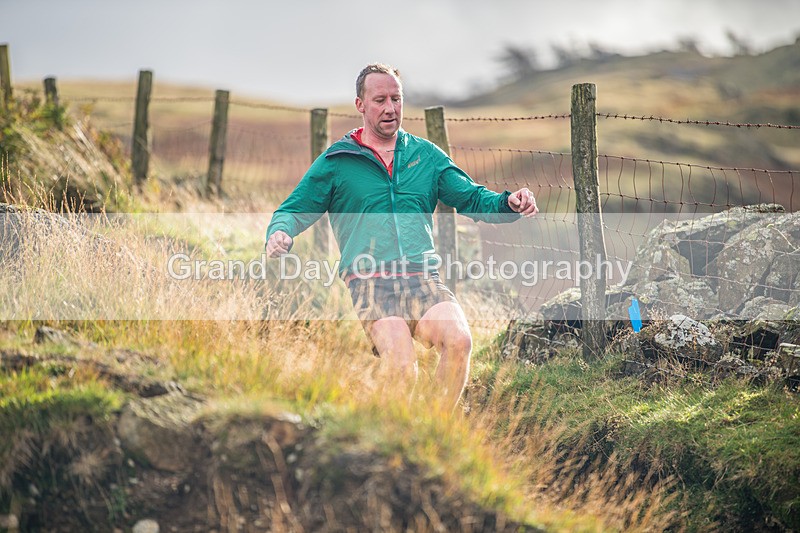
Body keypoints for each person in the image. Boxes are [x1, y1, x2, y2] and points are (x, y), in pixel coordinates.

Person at [265, 63, 538, 410]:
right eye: (380, 100)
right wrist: (280, 233)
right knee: (401, 367)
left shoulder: (425, 156)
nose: (390, 108)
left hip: (421, 276)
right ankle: (391, 436)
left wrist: (508, 203)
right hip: (370, 280)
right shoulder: (337, 160)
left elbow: (472, 197)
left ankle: (434, 431)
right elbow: (294, 207)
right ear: (360, 105)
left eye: (396, 98)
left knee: (459, 341)